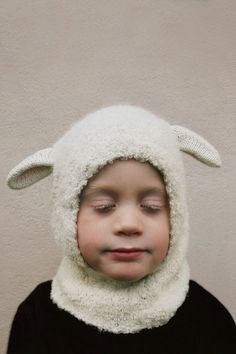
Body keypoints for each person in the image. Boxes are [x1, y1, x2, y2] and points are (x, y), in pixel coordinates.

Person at [6, 105, 236, 353]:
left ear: (176, 216)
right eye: (104, 206)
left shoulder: (208, 319)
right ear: (68, 216)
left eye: (151, 206)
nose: (129, 224)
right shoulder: (38, 318)